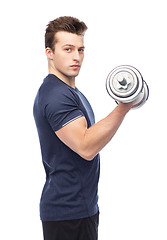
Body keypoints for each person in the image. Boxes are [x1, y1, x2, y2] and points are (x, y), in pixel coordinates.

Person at [33, 16, 133, 240]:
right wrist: (124, 106)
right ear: (49, 52)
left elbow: (89, 138)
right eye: (67, 49)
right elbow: (86, 147)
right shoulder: (56, 95)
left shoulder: (71, 92)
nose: (76, 57)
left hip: (81, 208)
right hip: (67, 213)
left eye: (80, 50)